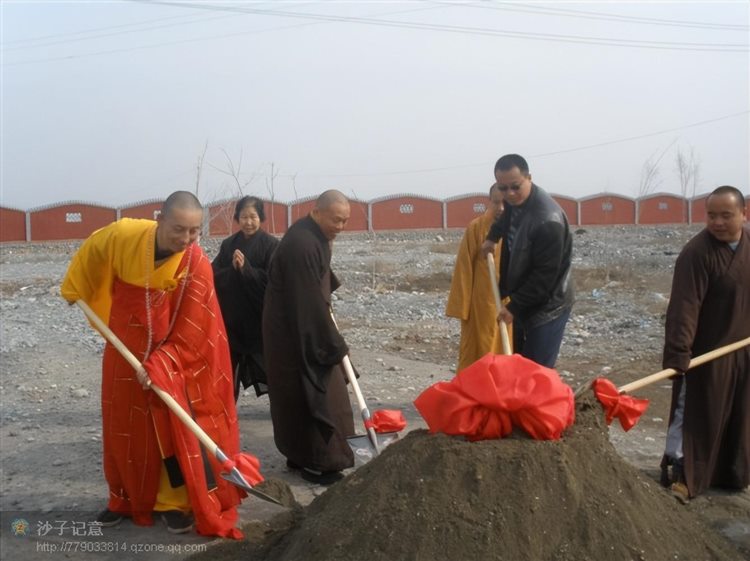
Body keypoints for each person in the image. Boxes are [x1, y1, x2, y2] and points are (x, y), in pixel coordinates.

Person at [60, 191, 244, 538]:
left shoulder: (196, 262)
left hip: (170, 357)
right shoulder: (124, 237)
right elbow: (94, 248)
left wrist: (161, 363)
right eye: (179, 229)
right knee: (122, 427)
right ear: (160, 219)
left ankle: (172, 504)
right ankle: (124, 497)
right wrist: (75, 287)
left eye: (194, 231)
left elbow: (196, 327)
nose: (186, 239)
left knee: (167, 431)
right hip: (123, 351)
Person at [660, 185, 749, 502]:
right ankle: (683, 474)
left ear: (743, 214)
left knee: (740, 414)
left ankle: (730, 474)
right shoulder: (697, 253)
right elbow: (684, 308)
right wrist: (679, 353)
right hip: (705, 353)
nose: (718, 222)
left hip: (742, 349)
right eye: (712, 215)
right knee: (698, 413)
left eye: (727, 215)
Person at [262, 189, 355, 485]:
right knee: (321, 392)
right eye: (336, 220)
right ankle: (319, 462)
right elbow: (307, 301)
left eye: (344, 221)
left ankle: (300, 453)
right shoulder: (302, 243)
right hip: (295, 331)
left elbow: (318, 279)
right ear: (317, 212)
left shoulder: (314, 236)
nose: (340, 227)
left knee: (298, 397)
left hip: (299, 323)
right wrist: (334, 345)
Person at [481, 154, 574, 368]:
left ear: (529, 178)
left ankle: (540, 401)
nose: (510, 194)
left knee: (536, 369)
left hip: (549, 304)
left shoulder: (548, 221)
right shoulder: (515, 200)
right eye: (503, 189)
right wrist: (492, 237)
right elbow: (506, 219)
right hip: (524, 295)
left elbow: (545, 277)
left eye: (515, 187)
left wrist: (514, 307)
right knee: (518, 361)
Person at [212, 196, 279, 400]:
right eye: (243, 217)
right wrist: (233, 271)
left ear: (261, 218)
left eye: (253, 217)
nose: (248, 222)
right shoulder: (228, 245)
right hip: (233, 321)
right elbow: (214, 275)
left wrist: (247, 270)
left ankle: (281, 406)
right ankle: (226, 407)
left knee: (272, 367)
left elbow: (274, 282)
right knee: (228, 369)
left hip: (259, 321)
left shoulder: (271, 245)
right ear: (237, 218)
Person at [446, 183, 511, 372]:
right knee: (480, 352)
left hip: (510, 303)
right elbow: (464, 268)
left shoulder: (518, 227)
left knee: (507, 352)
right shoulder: (477, 228)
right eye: (496, 202)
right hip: (481, 305)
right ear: (489, 202)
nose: (501, 208)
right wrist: (462, 308)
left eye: (505, 203)